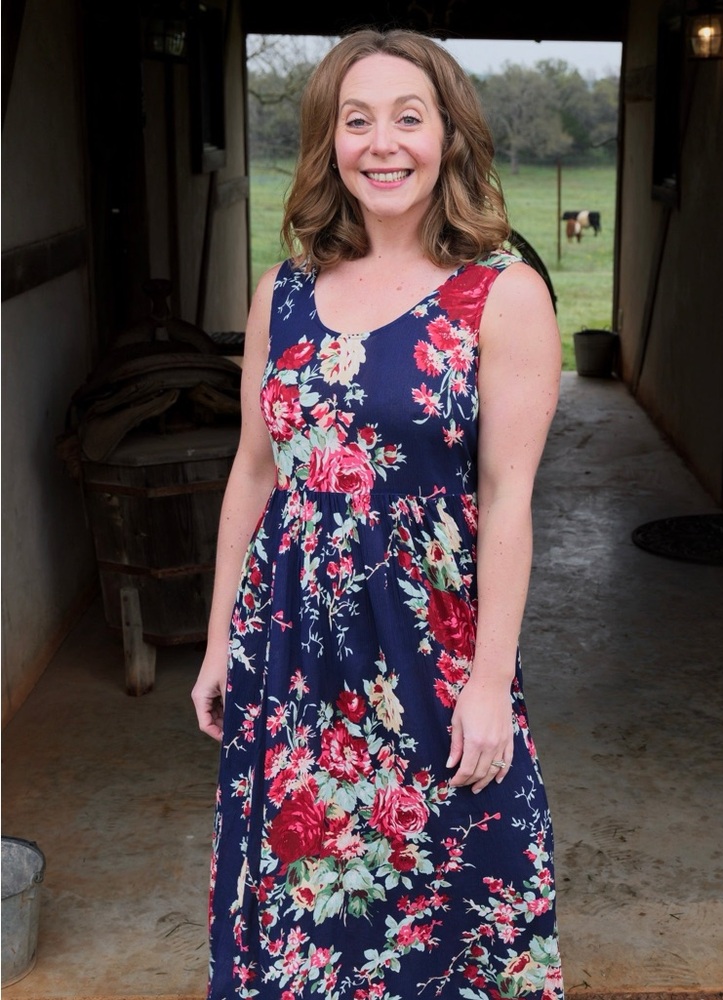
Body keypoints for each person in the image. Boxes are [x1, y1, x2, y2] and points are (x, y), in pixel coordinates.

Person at [191, 27, 563, 1000]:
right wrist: (220, 640)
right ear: (330, 140)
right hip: (289, 646)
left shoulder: (502, 295)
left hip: (428, 649)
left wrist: (490, 681)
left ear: (449, 136)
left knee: (454, 877)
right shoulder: (282, 293)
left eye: (408, 117)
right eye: (357, 120)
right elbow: (253, 473)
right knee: (302, 898)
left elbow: (507, 497)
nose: (382, 143)